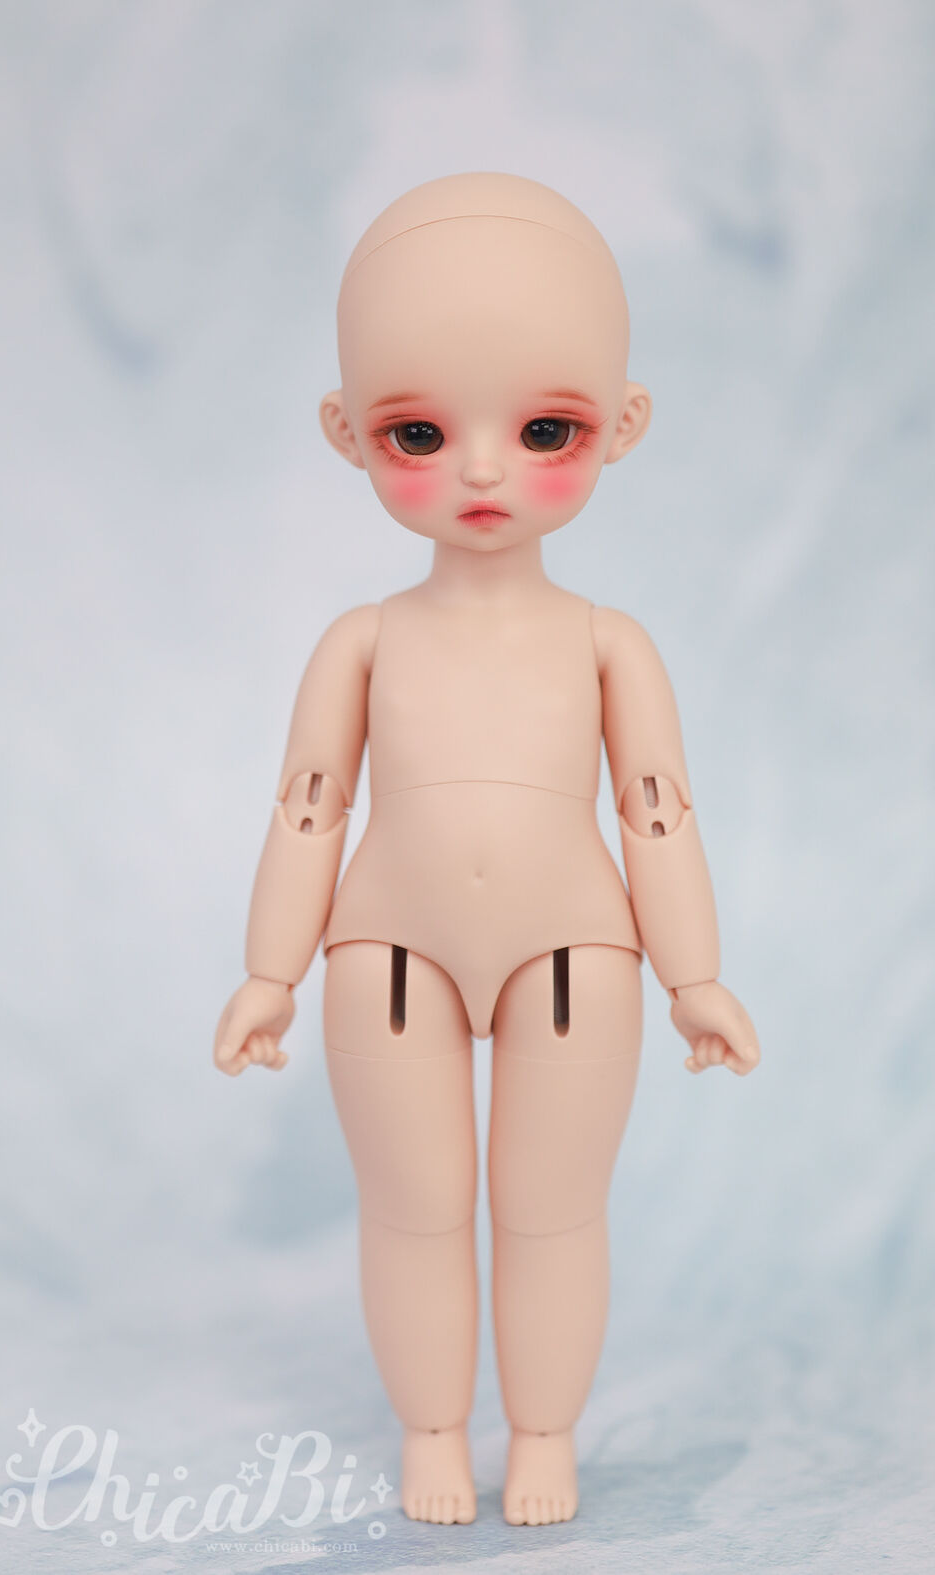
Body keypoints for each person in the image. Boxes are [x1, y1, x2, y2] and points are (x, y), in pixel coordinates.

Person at [213, 171, 760, 1528]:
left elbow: (656, 811)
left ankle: (546, 1435)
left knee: (549, 1210)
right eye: (417, 431)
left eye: (541, 429)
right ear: (344, 430)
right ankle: (433, 1432)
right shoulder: (361, 641)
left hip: (572, 952)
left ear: (621, 424)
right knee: (412, 1208)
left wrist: (693, 976)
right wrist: (268, 972)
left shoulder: (608, 643)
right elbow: (307, 808)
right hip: (384, 951)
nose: (478, 470)